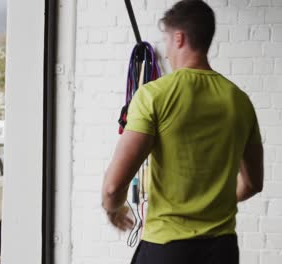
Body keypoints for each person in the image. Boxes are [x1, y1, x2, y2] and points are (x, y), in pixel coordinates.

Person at [101, 1, 264, 263]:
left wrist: (113, 209)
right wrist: (212, 206)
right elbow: (254, 183)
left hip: (168, 249)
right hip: (222, 251)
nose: (165, 53)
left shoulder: (154, 95)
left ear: (179, 38)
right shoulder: (240, 101)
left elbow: (113, 187)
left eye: (166, 40)